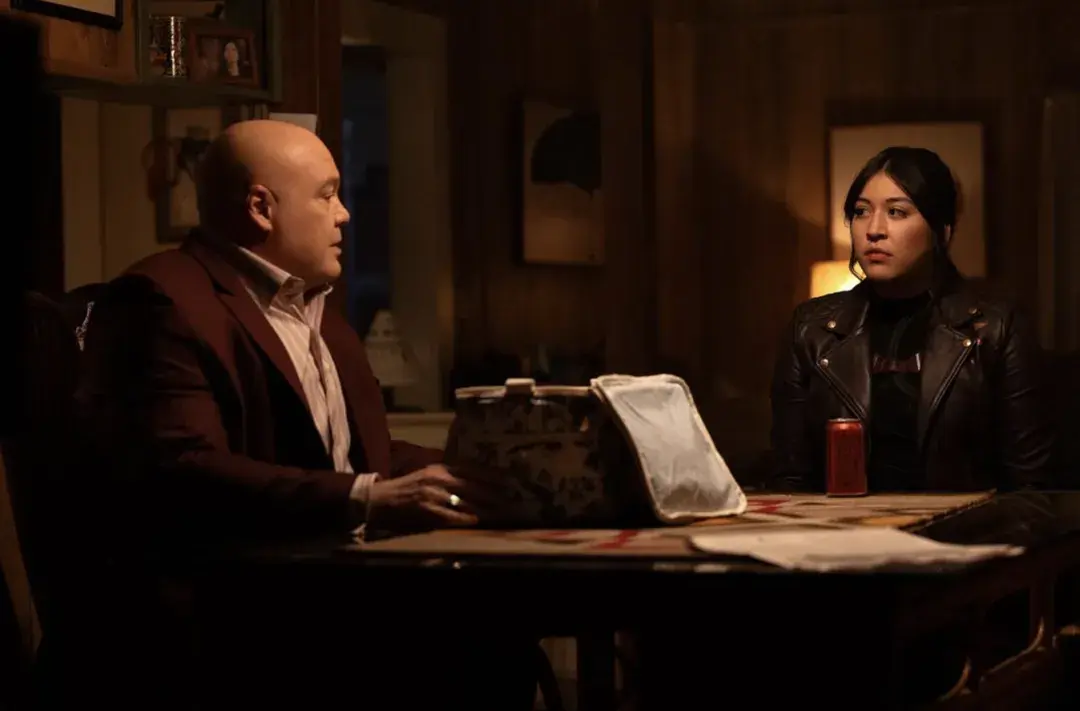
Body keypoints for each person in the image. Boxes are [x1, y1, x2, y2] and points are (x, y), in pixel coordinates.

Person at [76, 120, 536, 709]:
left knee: (501, 625)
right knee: (483, 643)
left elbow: (356, 455)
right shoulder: (162, 299)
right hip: (237, 621)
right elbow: (185, 470)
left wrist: (486, 470)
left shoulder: (318, 315)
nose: (344, 214)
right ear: (261, 208)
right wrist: (369, 497)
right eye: (326, 195)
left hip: (325, 591)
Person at [770, 146, 1054, 493]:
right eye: (861, 212)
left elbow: (1031, 486)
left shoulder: (997, 327)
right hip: (841, 524)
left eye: (896, 212)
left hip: (965, 524)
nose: (874, 230)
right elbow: (790, 479)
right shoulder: (811, 329)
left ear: (941, 230)